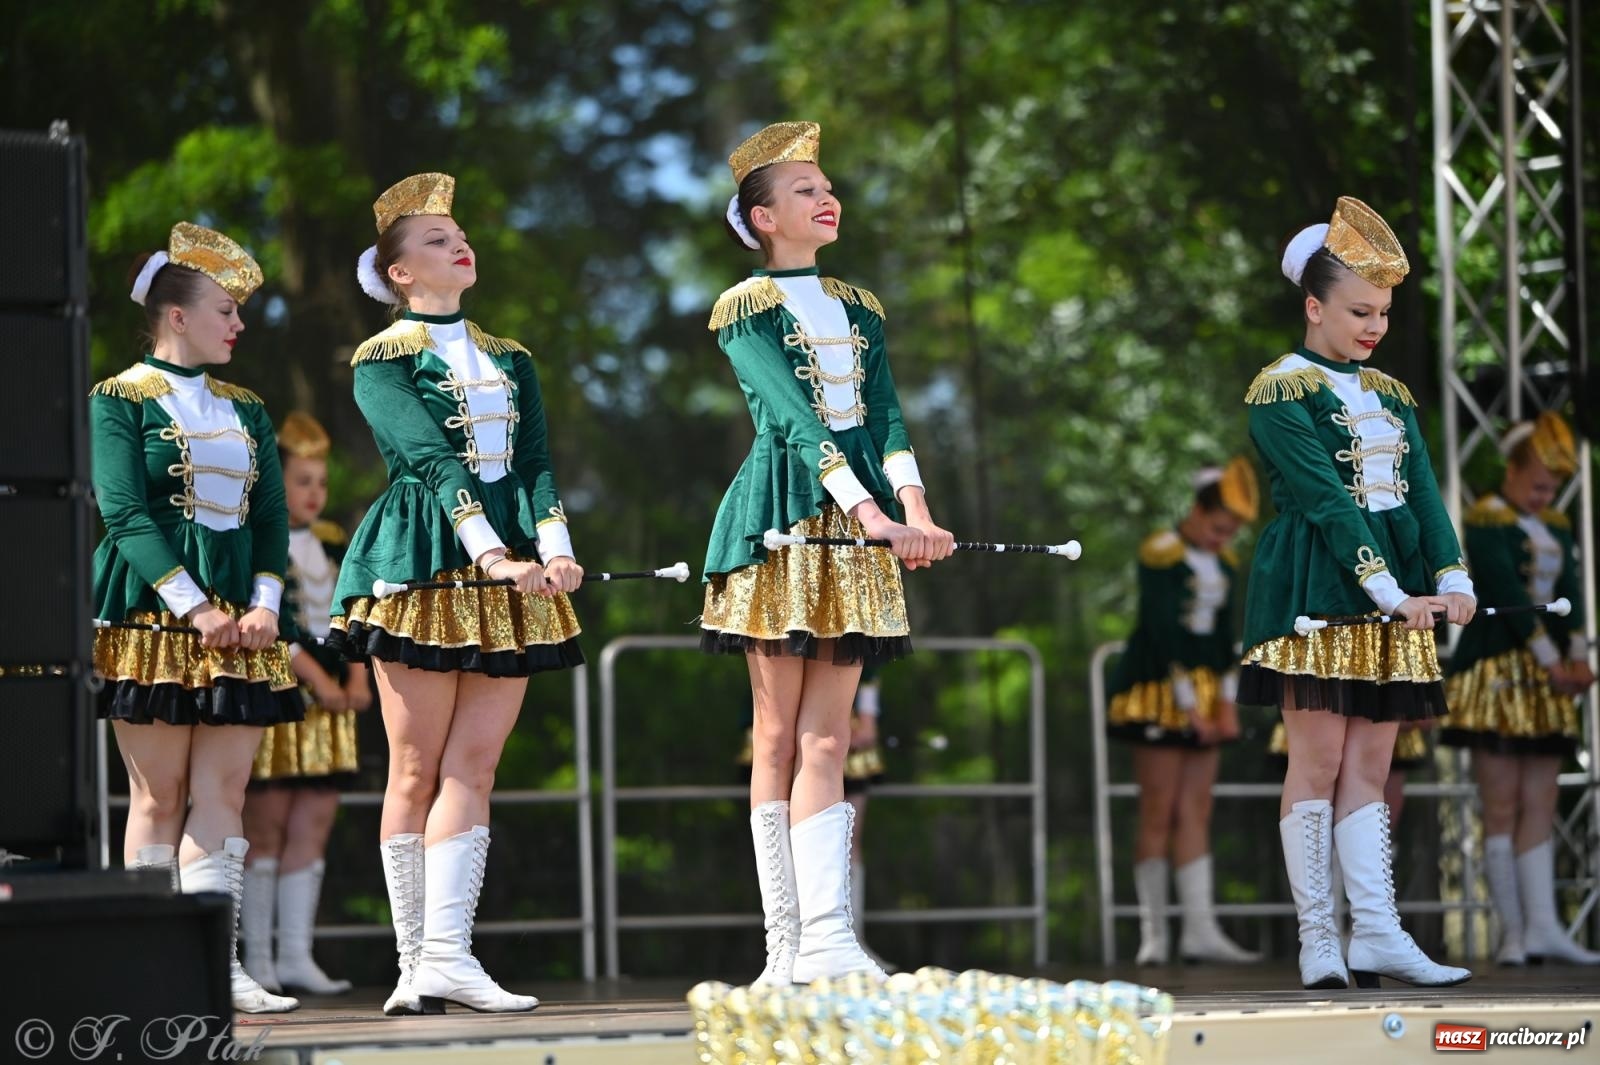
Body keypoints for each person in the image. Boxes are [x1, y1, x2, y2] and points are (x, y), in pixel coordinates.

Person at [700, 121, 954, 984]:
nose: (824, 194)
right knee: (775, 734)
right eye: (804, 188)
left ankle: (831, 935)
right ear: (764, 218)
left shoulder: (859, 304)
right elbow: (797, 422)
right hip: (781, 514)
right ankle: (784, 947)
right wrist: (871, 512)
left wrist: (913, 505)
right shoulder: (746, 308)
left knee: (830, 739)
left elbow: (885, 413)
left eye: (825, 183)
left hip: (861, 522)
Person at [330, 173, 584, 1014]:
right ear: (398, 273)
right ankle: (416, 962)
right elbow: (432, 462)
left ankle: (451, 953)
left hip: (510, 560)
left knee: (476, 763)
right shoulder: (382, 357)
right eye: (434, 241)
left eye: (458, 234)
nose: (457, 245)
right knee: (413, 763)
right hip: (423, 556)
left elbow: (537, 461)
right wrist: (491, 555)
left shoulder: (512, 357)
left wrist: (553, 547)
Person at [1241, 197, 1475, 989]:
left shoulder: (1394, 393)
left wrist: (1451, 575)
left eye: (1381, 312)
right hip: (1317, 581)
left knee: (1373, 764)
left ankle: (1375, 930)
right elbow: (1323, 501)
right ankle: (1319, 938)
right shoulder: (1279, 390)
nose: (1372, 326)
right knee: (1318, 757)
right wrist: (1384, 588)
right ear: (1314, 307)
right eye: (1357, 310)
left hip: (1398, 589)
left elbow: (1425, 494)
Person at [91, 222, 300, 1013]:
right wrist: (194, 606)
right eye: (225, 309)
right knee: (159, 790)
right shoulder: (118, 397)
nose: (238, 324)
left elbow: (272, 515)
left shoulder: (246, 407)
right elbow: (122, 511)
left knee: (227, 790)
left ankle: (220, 964)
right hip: (152, 613)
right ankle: (149, 966)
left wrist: (265, 603)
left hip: (243, 621)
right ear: (176, 316)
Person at [1441, 412, 1598, 965]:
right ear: (1512, 467)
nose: (1546, 492)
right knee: (1501, 802)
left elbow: (1573, 587)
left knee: (1542, 799)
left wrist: (1577, 659)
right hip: (1499, 674)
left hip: (1548, 678)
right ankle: (1512, 932)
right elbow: (1504, 588)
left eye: (1553, 484)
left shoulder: (1555, 521)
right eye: (1537, 480)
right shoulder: (1485, 519)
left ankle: (1545, 928)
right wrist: (1554, 660)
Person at [1108, 458, 1261, 965]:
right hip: (1158, 688)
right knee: (1159, 807)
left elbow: (1225, 637)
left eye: (1232, 531)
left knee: (1197, 807)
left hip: (1205, 689)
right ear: (1197, 511)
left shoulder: (1228, 563)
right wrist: (1190, 706)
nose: (1224, 537)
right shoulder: (1161, 553)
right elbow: (1160, 631)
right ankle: (1154, 936)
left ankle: (1200, 929)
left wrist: (1226, 701)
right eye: (1219, 527)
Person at [239, 412, 368, 996]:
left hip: (334, 700)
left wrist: (358, 675)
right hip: (282, 692)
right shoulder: (256, 538)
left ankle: (296, 954)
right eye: (301, 481)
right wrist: (320, 680)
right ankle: (256, 959)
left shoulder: (336, 541)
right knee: (264, 826)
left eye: (321, 481)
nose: (315, 493)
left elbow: (357, 610)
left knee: (312, 823)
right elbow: (277, 625)